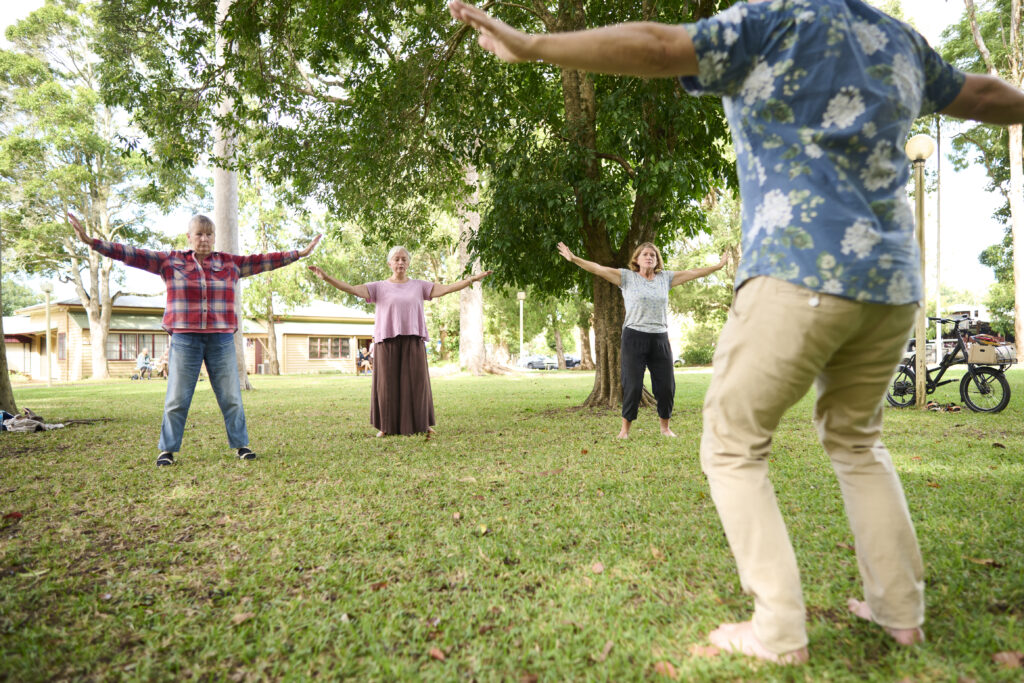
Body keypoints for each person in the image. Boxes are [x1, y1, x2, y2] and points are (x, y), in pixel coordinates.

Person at [449, 0, 1024, 664]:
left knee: (730, 441)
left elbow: (658, 45)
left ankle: (778, 627)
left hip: (799, 268)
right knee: (857, 440)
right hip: (893, 282)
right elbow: (980, 93)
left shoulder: (771, 19)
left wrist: (533, 47)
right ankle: (900, 611)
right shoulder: (895, 36)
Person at [69, 212, 321, 466]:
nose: (204, 239)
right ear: (189, 237)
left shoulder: (230, 264)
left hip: (220, 339)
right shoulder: (170, 262)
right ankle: (167, 450)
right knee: (177, 398)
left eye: (209, 234)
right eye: (199, 234)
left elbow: (264, 261)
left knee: (231, 396)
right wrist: (92, 242)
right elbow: (132, 254)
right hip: (185, 339)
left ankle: (241, 445)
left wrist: (298, 254)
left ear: (214, 238)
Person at [309, 247, 492, 437]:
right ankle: (386, 427)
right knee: (386, 385)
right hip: (386, 341)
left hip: (413, 339)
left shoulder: (419, 286)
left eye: (404, 259)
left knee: (417, 384)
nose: (400, 263)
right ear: (390, 263)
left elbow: (446, 289)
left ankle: (422, 425)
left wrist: (471, 279)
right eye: (396, 259)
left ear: (409, 263)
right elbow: (351, 289)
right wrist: (327, 278)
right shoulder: (377, 287)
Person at [557, 241, 727, 438]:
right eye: (645, 254)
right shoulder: (627, 277)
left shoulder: (666, 278)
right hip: (634, 337)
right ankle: (624, 430)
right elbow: (598, 268)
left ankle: (665, 428)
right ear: (636, 259)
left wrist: (717, 266)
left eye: (653, 255)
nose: (649, 257)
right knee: (633, 385)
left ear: (657, 261)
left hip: (659, 338)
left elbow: (693, 272)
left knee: (666, 386)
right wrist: (574, 258)